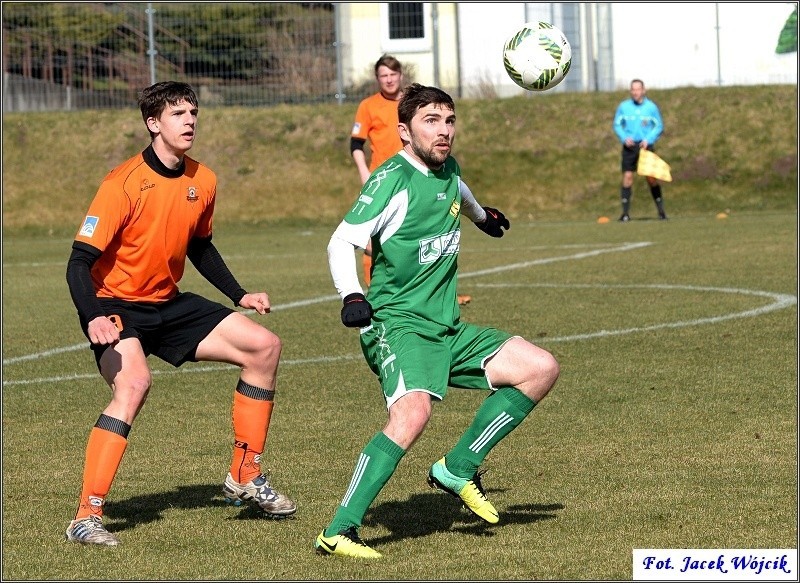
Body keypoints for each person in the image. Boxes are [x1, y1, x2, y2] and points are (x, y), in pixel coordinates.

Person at [315, 83, 560, 559]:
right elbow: (341, 242)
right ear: (404, 132)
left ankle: (458, 467)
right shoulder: (390, 179)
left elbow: (457, 191)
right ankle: (339, 530)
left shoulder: (447, 170)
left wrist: (481, 216)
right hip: (398, 324)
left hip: (447, 327)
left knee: (540, 368)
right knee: (412, 414)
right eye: (431, 121)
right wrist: (351, 296)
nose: (444, 131)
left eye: (449, 120)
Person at [64, 81, 295, 546]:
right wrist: (92, 316)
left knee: (264, 347)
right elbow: (78, 262)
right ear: (153, 123)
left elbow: (200, 246)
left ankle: (245, 473)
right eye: (178, 114)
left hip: (168, 302)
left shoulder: (202, 180)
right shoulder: (122, 183)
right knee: (133, 384)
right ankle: (85, 516)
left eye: (193, 112)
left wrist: (239, 293)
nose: (190, 121)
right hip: (113, 305)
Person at [351, 55, 472, 305]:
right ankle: (376, 290)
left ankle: (435, 290)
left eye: (392, 75)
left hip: (418, 175)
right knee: (375, 236)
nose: (389, 80)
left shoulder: (413, 104)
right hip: (387, 177)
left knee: (427, 230)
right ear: (377, 79)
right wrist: (364, 171)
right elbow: (356, 142)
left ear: (400, 75)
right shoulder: (368, 106)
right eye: (383, 76)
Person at [612, 78, 667, 222]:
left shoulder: (651, 107)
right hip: (630, 147)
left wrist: (649, 139)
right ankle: (625, 214)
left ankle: (661, 212)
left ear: (643, 90)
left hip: (645, 147)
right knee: (628, 177)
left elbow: (659, 126)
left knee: (651, 178)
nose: (635, 92)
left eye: (638, 89)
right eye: (633, 89)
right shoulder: (624, 107)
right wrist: (624, 138)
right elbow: (617, 124)